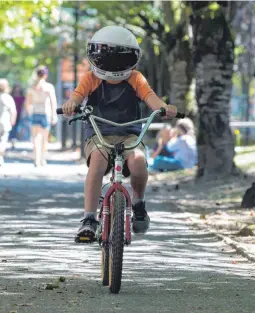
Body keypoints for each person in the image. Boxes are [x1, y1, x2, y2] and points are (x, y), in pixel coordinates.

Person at [60, 25, 178, 242]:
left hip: (130, 134)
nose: (113, 67)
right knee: (97, 161)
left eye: (119, 60)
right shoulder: (90, 79)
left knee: (139, 162)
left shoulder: (135, 78)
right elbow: (77, 96)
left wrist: (163, 108)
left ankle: (139, 203)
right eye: (107, 59)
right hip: (99, 134)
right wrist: (71, 104)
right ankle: (89, 219)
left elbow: (151, 97)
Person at [24, 66, 58, 167]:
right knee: (44, 138)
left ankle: (36, 159)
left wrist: (29, 112)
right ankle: (42, 159)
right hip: (45, 113)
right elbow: (53, 102)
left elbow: (28, 103)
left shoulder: (31, 87)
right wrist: (54, 115)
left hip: (35, 113)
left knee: (35, 137)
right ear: (45, 75)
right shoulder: (49, 87)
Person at [9, 84, 25, 149]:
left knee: (17, 128)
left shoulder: (23, 97)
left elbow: (24, 106)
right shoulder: (10, 96)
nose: (17, 89)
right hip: (11, 114)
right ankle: (12, 140)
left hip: (19, 114)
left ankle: (14, 139)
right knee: (12, 128)